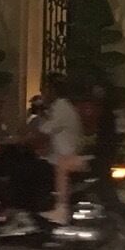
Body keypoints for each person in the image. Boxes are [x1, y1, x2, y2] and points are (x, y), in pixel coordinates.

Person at [42, 72, 87, 226]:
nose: (43, 93)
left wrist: (21, 137)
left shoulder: (61, 106)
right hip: (64, 154)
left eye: (45, 89)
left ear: (53, 90)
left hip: (69, 157)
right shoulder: (62, 106)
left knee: (61, 165)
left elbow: (46, 129)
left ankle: (61, 209)